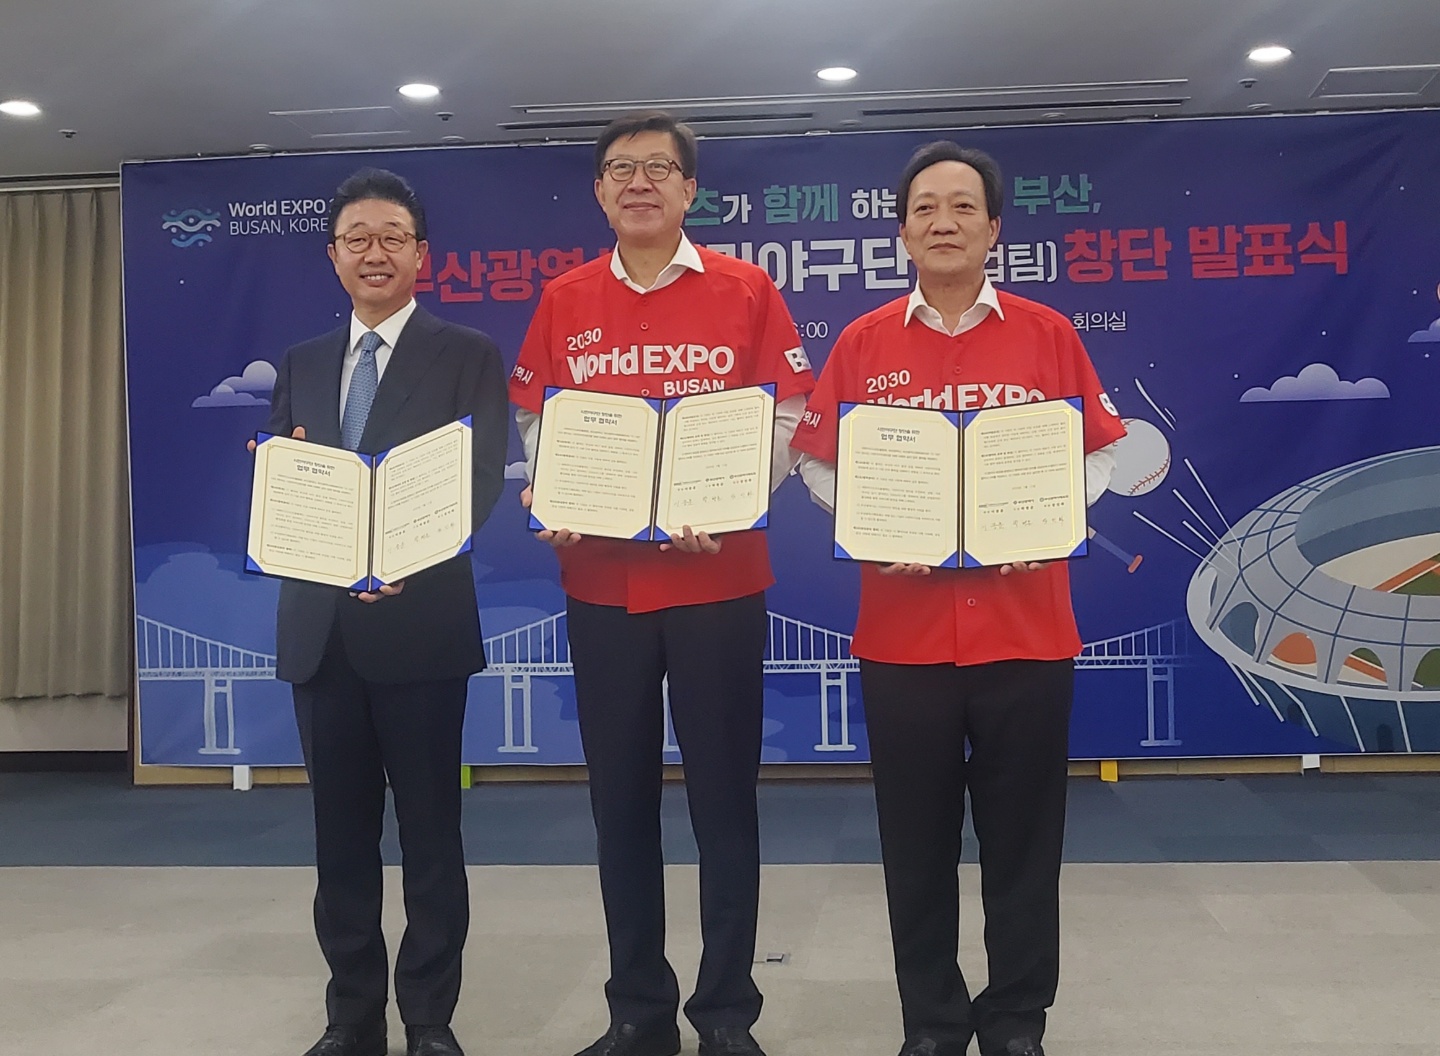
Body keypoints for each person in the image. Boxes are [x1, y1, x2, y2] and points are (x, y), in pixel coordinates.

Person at [791, 141, 1126, 1056]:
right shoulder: (863, 342)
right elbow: (817, 461)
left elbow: (1100, 450)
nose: (944, 222)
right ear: (902, 232)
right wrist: (873, 523)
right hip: (902, 640)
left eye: (963, 207)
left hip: (1028, 633)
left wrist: (1048, 518)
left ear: (994, 229)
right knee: (915, 849)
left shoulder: (1048, 333)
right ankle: (933, 1024)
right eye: (925, 209)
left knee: (1025, 846)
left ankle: (1016, 1021)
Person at [507, 112, 814, 1056]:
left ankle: (725, 1016)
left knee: (725, 804)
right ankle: (637, 1011)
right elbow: (538, 420)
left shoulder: (746, 289)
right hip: (603, 586)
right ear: (599, 192)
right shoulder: (565, 298)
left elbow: (789, 413)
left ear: (690, 189)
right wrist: (558, 492)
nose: (638, 183)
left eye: (658, 169)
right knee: (620, 804)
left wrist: (726, 500)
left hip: (718, 579)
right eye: (620, 170)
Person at [258, 167, 508, 1056]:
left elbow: (479, 479)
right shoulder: (301, 363)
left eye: (392, 237)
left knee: (433, 839)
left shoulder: (468, 353)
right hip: (321, 635)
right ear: (333, 256)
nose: (375, 252)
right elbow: (287, 481)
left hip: (423, 626)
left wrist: (405, 555)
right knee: (340, 844)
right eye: (356, 238)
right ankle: (351, 1017)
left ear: (421, 255)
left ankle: (430, 1019)